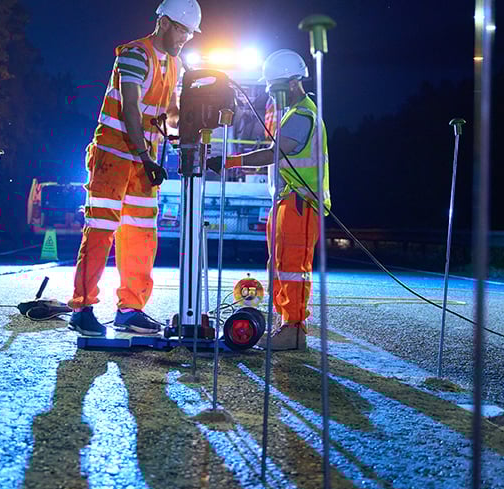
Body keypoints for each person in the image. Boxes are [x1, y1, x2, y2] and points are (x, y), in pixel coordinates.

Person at [67, 0, 202, 336]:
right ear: (165, 23)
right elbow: (130, 109)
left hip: (145, 162)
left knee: (141, 236)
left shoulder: (175, 65)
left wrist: (186, 131)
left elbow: (168, 112)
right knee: (100, 230)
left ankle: (130, 310)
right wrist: (146, 157)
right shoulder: (134, 54)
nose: (186, 37)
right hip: (115, 157)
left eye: (190, 32)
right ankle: (82, 307)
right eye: (183, 29)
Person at [207, 49, 330, 351]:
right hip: (288, 202)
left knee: (292, 267)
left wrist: (230, 162)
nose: (270, 96)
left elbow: (274, 153)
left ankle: (294, 328)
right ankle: (285, 323)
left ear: (291, 84)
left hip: (301, 203)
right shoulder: (292, 114)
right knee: (278, 265)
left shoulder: (303, 115)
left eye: (273, 89)